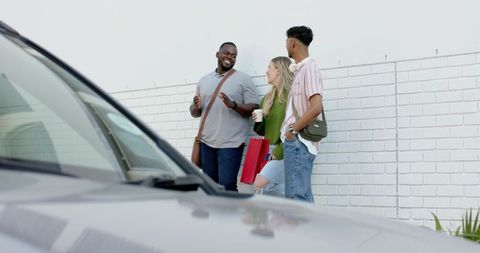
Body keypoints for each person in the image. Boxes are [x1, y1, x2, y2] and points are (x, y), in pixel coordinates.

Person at [190, 42, 259, 191]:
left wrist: (234, 105)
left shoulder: (243, 79)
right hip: (207, 143)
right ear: (217, 54)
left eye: (234, 55)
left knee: (227, 186)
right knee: (211, 187)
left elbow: (254, 107)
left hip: (231, 143)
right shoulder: (204, 80)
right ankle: (214, 215)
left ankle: (232, 215)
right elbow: (195, 113)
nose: (230, 57)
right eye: (226, 53)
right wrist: (195, 107)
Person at [280, 26, 324, 202]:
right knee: (302, 196)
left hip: (300, 142)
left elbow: (316, 108)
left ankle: (297, 231)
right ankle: (310, 230)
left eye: (286, 41)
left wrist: (292, 130)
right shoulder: (300, 70)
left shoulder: (309, 68)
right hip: (297, 142)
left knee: (295, 198)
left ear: (292, 43)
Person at [252, 56, 292, 197]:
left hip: (285, 149)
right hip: (270, 150)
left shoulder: (292, 97)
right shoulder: (267, 98)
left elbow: (295, 126)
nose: (266, 71)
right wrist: (258, 120)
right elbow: (262, 130)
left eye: (270, 67)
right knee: (275, 193)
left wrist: (280, 151)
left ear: (279, 71)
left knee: (259, 183)